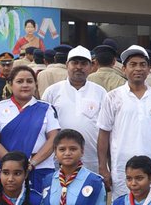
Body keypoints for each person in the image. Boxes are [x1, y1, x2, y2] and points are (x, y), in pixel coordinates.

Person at [98, 46, 151, 199]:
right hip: (122, 168)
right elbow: (103, 133)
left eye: (142, 64)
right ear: (124, 69)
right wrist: (103, 167)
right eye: (133, 64)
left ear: (148, 69)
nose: (138, 69)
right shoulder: (112, 97)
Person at [0, 65, 60, 194]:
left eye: (29, 81)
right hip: (8, 172)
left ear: (35, 84)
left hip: (40, 169)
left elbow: (54, 139)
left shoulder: (46, 108)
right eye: (20, 81)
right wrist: (13, 165)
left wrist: (32, 164)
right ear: (10, 84)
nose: (25, 85)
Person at [40, 46, 105, 177]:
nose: (79, 67)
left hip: (91, 158)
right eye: (75, 63)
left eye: (83, 63)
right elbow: (43, 126)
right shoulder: (52, 91)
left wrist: (104, 164)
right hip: (59, 158)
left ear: (91, 67)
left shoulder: (100, 92)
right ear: (66, 65)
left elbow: (106, 128)